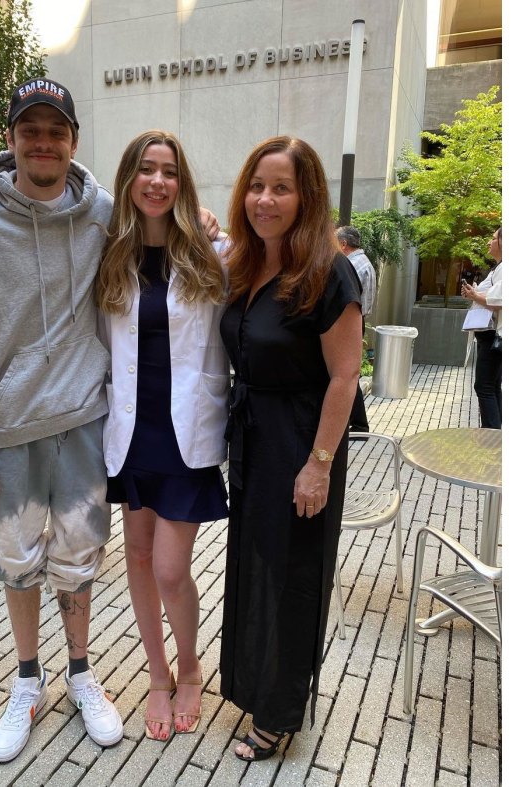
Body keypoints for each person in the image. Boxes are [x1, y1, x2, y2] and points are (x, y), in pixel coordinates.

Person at [0, 77, 125, 763]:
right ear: (12, 140)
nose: (44, 142)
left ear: (72, 141)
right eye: (30, 130)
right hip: (5, 437)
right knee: (20, 566)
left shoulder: (103, 214)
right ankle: (27, 681)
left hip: (82, 427)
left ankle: (80, 672)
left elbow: (165, 232)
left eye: (56, 130)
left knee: (78, 562)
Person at [218, 136, 362, 761]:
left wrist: (319, 465)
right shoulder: (247, 266)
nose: (264, 199)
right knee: (254, 569)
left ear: (307, 197)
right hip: (252, 439)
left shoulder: (329, 273)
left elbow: (345, 375)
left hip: (301, 444)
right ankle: (257, 685)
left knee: (294, 576)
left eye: (280, 187)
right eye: (256, 185)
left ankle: (280, 714)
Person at [97, 130, 229, 741]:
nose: (156, 181)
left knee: (173, 571)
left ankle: (193, 665)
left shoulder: (209, 254)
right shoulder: (109, 255)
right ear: (128, 180)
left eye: (168, 171)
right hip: (129, 433)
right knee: (140, 560)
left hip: (186, 436)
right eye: (145, 170)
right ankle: (156, 674)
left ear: (182, 183)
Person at [461, 226, 502, 428]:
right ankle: (496, 434)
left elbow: (498, 300)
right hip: (491, 332)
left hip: (493, 332)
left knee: (484, 386)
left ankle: (493, 436)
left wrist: (474, 295)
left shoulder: (504, 268)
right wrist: (474, 293)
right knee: (492, 385)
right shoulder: (498, 267)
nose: (489, 242)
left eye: (493, 239)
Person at [336, 225, 375, 433]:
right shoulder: (360, 262)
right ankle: (358, 422)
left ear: (343, 244)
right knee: (349, 373)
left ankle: (359, 423)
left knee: (346, 374)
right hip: (355, 323)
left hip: (347, 324)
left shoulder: (351, 266)